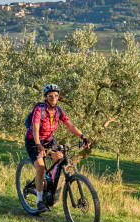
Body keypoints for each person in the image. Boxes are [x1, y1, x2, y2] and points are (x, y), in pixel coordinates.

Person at [25, 83, 91, 212]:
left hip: (49, 140)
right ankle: (39, 200)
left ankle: (49, 185)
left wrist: (83, 136)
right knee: (40, 168)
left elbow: (70, 125)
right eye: (50, 96)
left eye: (56, 96)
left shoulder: (58, 110)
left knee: (60, 159)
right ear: (45, 97)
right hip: (34, 140)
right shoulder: (40, 109)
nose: (54, 98)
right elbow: (36, 127)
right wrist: (38, 144)